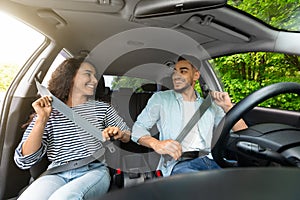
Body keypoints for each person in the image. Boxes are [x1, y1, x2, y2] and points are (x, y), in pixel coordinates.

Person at [14, 57, 131, 200]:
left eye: (95, 76)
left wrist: (119, 134)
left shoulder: (102, 109)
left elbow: (128, 135)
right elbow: (24, 161)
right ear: (69, 77)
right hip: (56, 172)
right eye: (88, 74)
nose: (94, 80)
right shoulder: (49, 111)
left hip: (93, 170)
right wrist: (42, 119)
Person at [131, 54, 247, 177]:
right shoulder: (160, 99)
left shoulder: (210, 105)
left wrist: (228, 107)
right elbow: (138, 128)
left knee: (247, 175)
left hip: (211, 160)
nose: (176, 76)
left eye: (183, 71)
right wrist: (156, 144)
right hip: (179, 164)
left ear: (196, 75)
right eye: (175, 71)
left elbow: (244, 134)